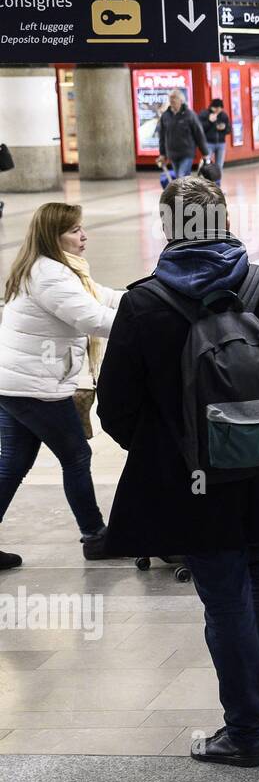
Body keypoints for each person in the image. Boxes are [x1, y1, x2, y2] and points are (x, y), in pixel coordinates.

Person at [96, 176, 259, 767]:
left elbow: (115, 409)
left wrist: (179, 451)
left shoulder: (144, 303)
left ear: (169, 227)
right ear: (225, 220)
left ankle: (244, 733)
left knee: (224, 599)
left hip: (195, 483)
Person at [0, 203, 121, 567]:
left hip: (17, 383)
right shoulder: (50, 275)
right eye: (74, 231)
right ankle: (95, 536)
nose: (83, 236)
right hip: (36, 387)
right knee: (76, 457)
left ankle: (95, 534)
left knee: (13, 464)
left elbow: (101, 297)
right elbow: (93, 319)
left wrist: (148, 297)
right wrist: (151, 322)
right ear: (53, 237)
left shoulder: (54, 268)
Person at [157, 89, 210, 179]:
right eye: (170, 98)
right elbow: (162, 136)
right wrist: (162, 154)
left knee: (181, 176)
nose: (172, 100)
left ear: (181, 100)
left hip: (187, 152)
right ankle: (186, 192)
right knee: (180, 178)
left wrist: (205, 153)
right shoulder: (165, 116)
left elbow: (199, 134)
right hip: (172, 153)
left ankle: (183, 192)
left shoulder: (189, 115)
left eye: (174, 98)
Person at [201, 98, 231, 184]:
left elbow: (229, 129)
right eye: (216, 108)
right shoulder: (205, 114)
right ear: (212, 107)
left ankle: (217, 187)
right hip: (208, 143)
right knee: (207, 166)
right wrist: (209, 121)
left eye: (220, 108)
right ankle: (207, 186)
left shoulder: (223, 116)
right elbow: (200, 129)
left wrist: (224, 128)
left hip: (221, 143)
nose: (218, 110)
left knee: (219, 166)